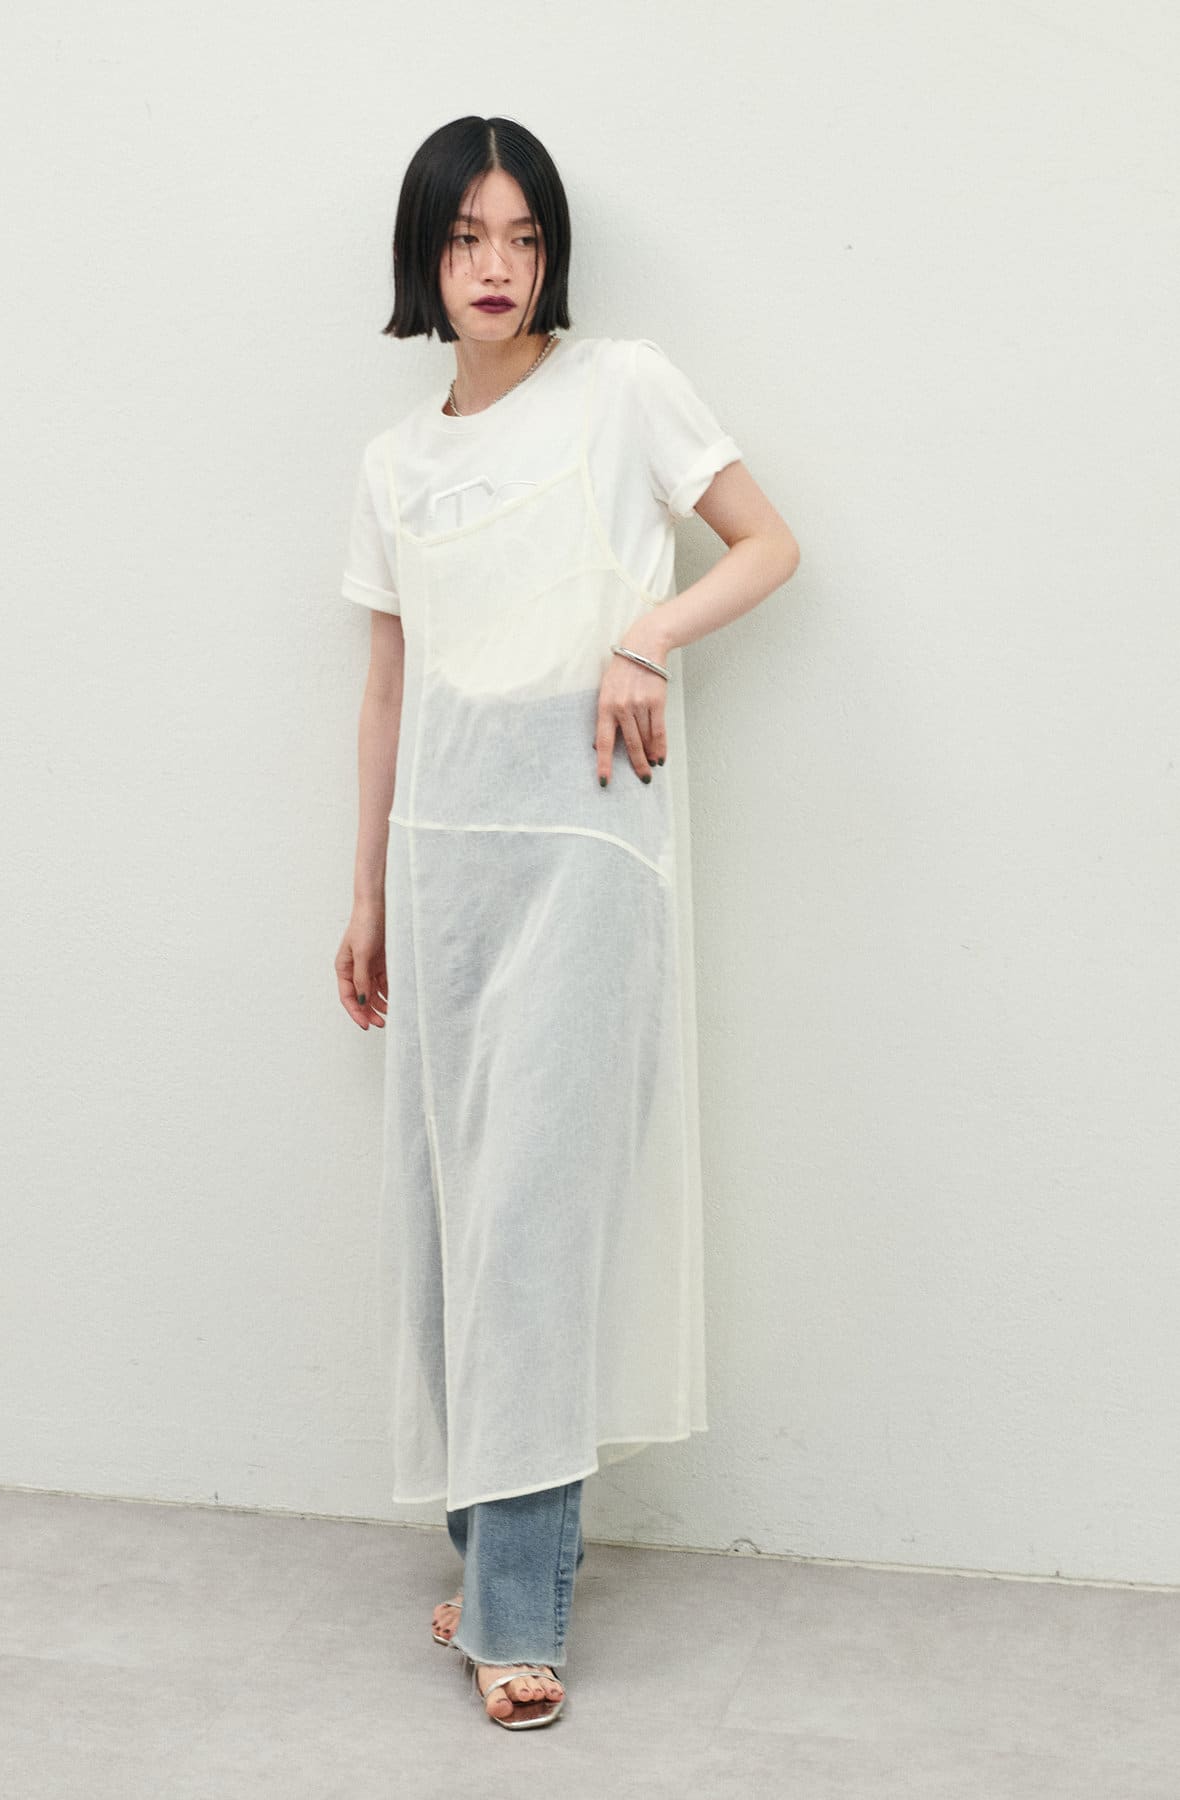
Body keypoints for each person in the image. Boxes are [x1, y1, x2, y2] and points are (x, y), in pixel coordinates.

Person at [334, 115, 800, 1729]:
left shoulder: (623, 389)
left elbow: (768, 542)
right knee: (456, 1225)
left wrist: (645, 635)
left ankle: (515, 1614)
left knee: (533, 1225)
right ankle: (494, 1563)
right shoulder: (395, 464)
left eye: (524, 237)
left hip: (588, 856)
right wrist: (363, 888)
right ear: (427, 253)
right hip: (440, 868)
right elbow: (388, 685)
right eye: (469, 236)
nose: (498, 266)